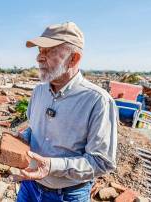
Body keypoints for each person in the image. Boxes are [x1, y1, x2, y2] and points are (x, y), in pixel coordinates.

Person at [14, 22, 118, 202]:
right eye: (40, 50)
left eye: (48, 51)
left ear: (73, 59)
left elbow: (102, 162)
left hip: (67, 195)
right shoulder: (38, 91)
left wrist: (52, 166)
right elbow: (35, 129)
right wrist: (24, 138)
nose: (39, 58)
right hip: (29, 186)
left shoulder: (97, 101)